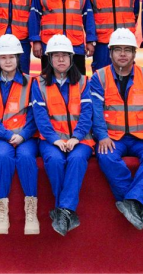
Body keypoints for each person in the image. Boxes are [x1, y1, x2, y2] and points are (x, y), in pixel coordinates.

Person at [89, 28, 143, 232]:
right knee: (106, 157)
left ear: (133, 53)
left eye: (127, 50)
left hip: (142, 137)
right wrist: (102, 136)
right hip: (113, 137)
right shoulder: (99, 77)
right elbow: (96, 111)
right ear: (110, 53)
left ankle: (132, 201)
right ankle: (136, 202)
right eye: (118, 50)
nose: (122, 54)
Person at [30, 34, 94, 236]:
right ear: (49, 59)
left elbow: (87, 114)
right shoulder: (39, 83)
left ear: (71, 58)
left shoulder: (84, 82)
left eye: (64, 55)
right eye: (56, 55)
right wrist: (55, 140)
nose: (60, 59)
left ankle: (62, 209)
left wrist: (76, 137)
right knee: (55, 160)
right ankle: (66, 211)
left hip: (80, 139)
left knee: (76, 159)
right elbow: (40, 117)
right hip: (51, 140)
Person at [0, 34, 39, 235]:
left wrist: (23, 135)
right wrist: (7, 136)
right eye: (3, 57)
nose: (7, 61)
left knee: (26, 157)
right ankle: (2, 212)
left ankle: (31, 212)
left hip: (26, 137)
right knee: (3, 157)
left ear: (18, 59)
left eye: (11, 57)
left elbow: (35, 115)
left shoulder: (31, 83)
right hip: (1, 138)